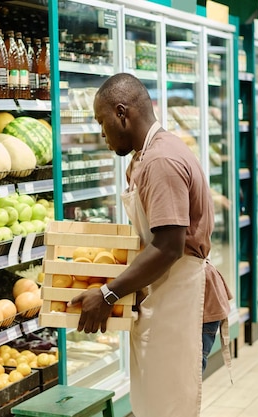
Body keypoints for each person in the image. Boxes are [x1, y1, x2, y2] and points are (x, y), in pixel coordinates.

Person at [69, 73, 232, 417]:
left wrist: (109, 293)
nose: (101, 133)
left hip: (182, 302)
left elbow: (169, 247)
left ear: (122, 113)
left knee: (171, 409)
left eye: (102, 121)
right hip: (166, 297)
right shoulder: (145, 157)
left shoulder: (160, 161)